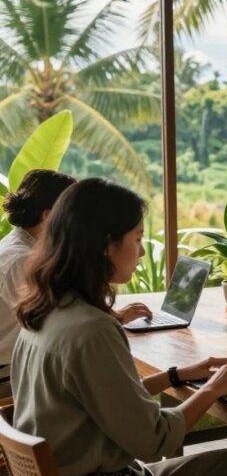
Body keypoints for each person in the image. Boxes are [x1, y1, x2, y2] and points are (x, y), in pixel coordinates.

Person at [12, 178, 227, 476]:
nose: (139, 254)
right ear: (106, 245)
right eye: (136, 240)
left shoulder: (44, 312)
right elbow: (155, 440)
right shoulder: (93, 330)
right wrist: (213, 389)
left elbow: (111, 400)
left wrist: (176, 375)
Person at [0, 170, 150, 399]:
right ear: (50, 216)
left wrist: (111, 316)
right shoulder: (21, 260)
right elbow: (58, 323)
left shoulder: (20, 247)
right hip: (9, 377)